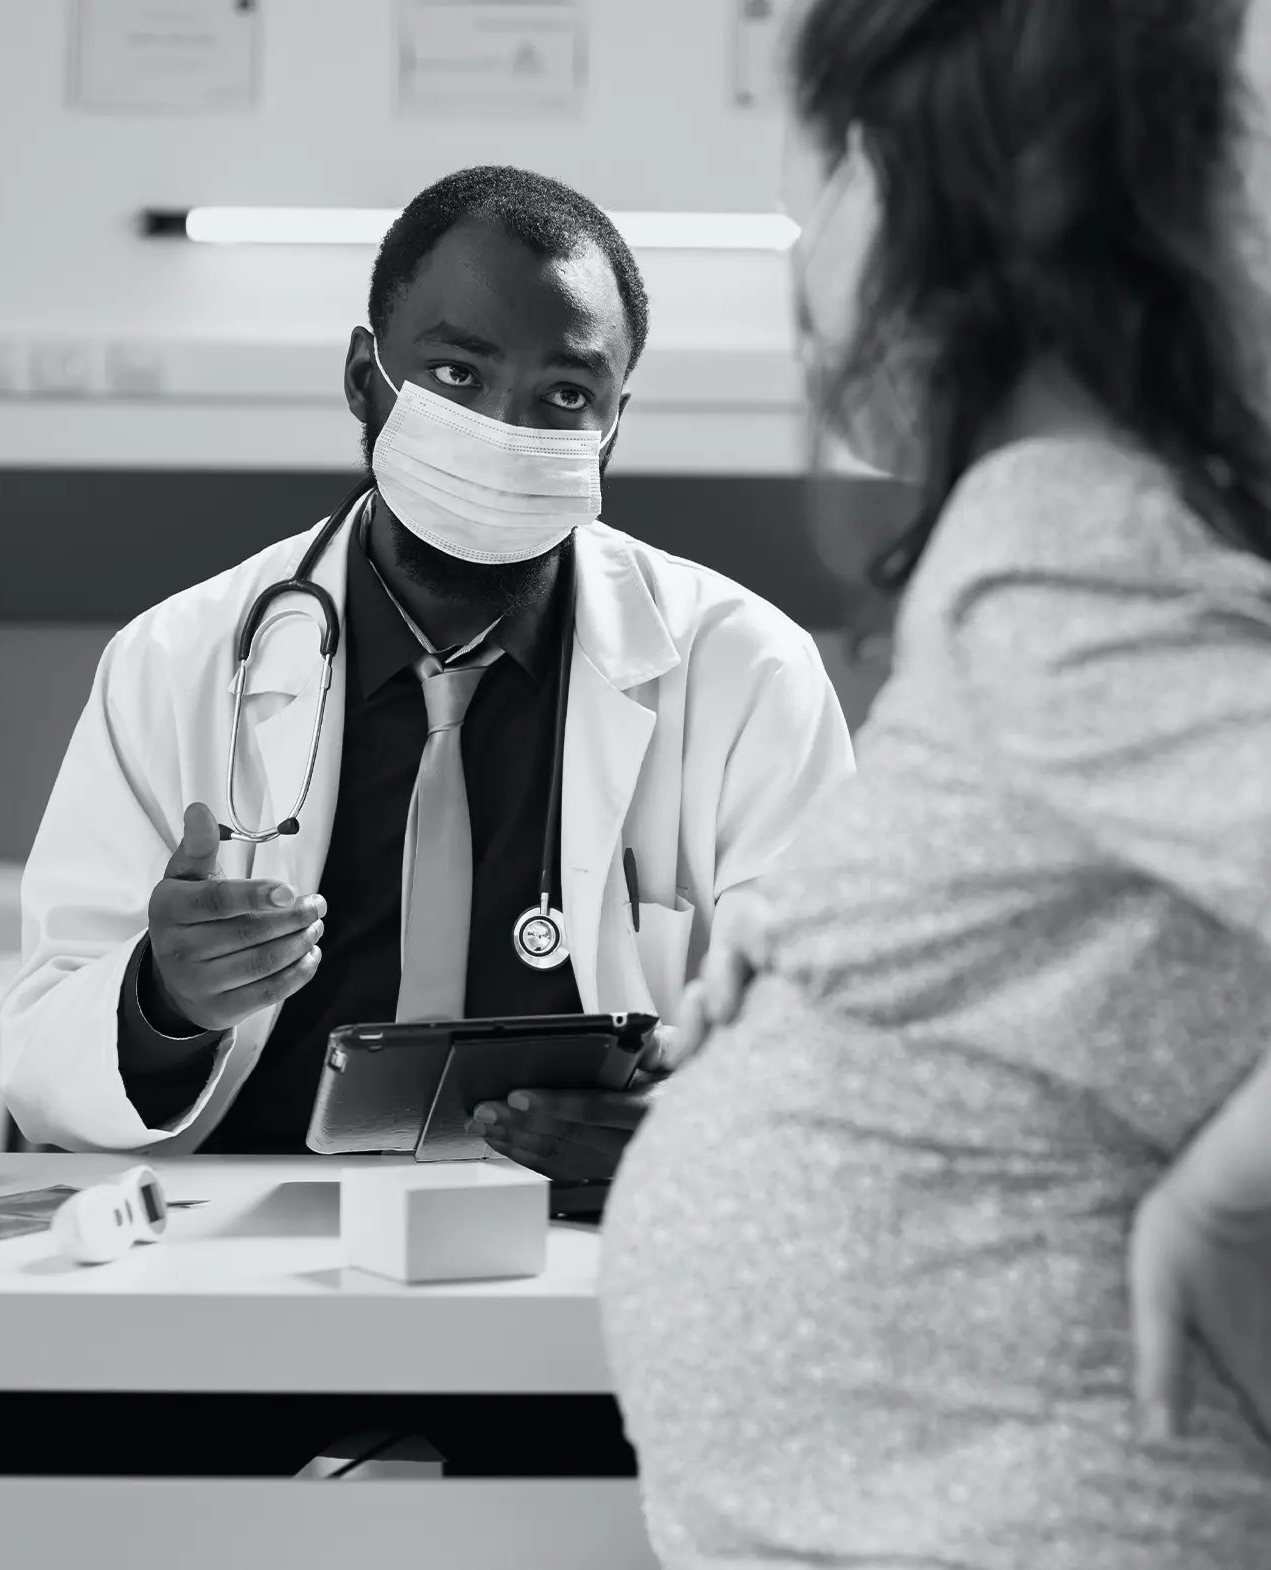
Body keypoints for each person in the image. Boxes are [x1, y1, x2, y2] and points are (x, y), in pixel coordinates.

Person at [0, 165, 852, 1478]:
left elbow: (836, 1048)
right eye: (456, 376)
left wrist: (689, 1138)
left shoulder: (744, 672)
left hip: (586, 1278)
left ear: (614, 426)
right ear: (368, 382)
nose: (506, 427)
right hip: (236, 1275)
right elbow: (42, 1039)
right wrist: (164, 1000)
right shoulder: (179, 661)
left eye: (564, 395)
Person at [597, 1, 1271, 1565]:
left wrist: (1234, 1195)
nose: (802, 246)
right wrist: (817, 955)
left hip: (1012, 1491)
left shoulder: (1057, 538)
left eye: (833, 173)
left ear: (947, 206)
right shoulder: (1090, 537)